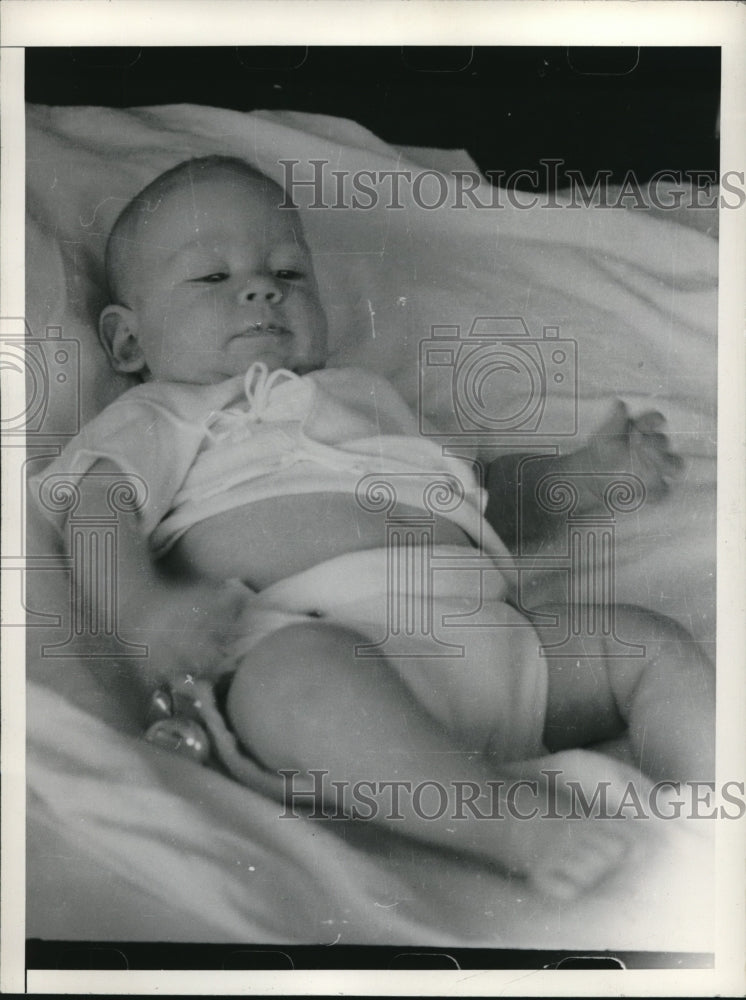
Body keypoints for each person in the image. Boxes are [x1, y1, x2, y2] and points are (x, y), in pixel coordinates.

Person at [35, 155, 714, 901]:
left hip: (495, 644)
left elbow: (480, 494)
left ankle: (712, 809)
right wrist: (142, 614)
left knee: (652, 648)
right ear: (128, 341)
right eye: (211, 278)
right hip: (309, 646)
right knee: (297, 678)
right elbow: (98, 512)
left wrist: (584, 476)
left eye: (289, 273)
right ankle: (516, 828)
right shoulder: (163, 412)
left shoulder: (368, 397)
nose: (261, 289)